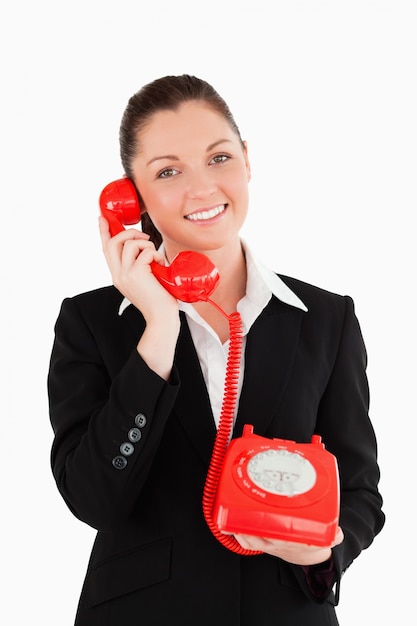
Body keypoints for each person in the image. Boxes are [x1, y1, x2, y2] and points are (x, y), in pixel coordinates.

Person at [47, 74, 385, 626]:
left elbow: (361, 490)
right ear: (132, 197)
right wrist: (157, 327)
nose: (203, 188)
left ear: (247, 162)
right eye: (168, 171)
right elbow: (93, 500)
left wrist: (322, 552)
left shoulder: (327, 319)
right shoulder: (91, 322)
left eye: (220, 158)